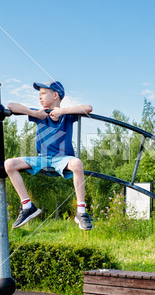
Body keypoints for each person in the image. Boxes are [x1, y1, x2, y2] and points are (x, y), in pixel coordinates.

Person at [5, 80, 93, 230]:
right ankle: (27, 207)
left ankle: (81, 212)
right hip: (42, 159)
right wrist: (33, 113)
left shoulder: (67, 116)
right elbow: (10, 106)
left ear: (55, 95)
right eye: (39, 94)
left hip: (62, 159)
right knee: (9, 164)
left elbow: (88, 108)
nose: (40, 97)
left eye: (43, 94)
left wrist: (62, 111)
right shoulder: (39, 113)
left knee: (77, 163)